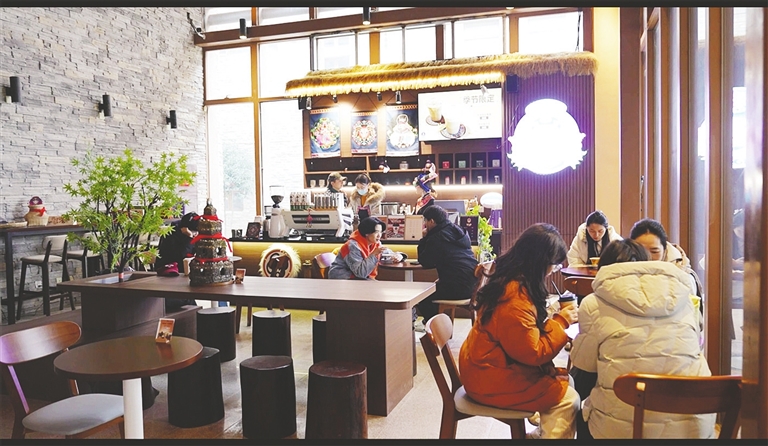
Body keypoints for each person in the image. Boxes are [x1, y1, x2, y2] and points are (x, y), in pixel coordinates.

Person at [570, 239, 713, 439]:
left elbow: (584, 365)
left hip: (621, 431)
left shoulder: (593, 304)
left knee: (580, 397)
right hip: (692, 429)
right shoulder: (685, 300)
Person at [459, 223, 580, 439]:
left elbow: (522, 338)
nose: (552, 271)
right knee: (568, 399)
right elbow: (533, 353)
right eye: (553, 265)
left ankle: (540, 435)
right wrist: (561, 321)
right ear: (540, 263)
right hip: (490, 379)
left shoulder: (507, 278)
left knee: (565, 382)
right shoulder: (514, 297)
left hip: (485, 367)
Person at [416, 205, 478, 324]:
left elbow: (425, 261)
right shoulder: (459, 230)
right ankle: (438, 324)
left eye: (425, 221)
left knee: (422, 296)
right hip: (474, 285)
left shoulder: (437, 237)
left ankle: (438, 328)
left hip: (457, 288)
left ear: (432, 221)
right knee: (432, 290)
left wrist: (424, 238)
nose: (425, 224)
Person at [629, 218, 702, 299]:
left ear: (665, 249)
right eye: (641, 250)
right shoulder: (624, 271)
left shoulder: (684, 275)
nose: (648, 256)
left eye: (654, 251)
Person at [328, 217, 400, 280]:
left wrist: (398, 256)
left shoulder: (375, 243)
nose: (379, 235)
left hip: (359, 278)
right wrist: (374, 254)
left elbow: (388, 254)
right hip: (342, 279)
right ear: (367, 233)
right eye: (376, 232)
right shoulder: (353, 246)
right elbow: (360, 273)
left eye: (381, 232)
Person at [154, 212, 199, 310]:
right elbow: (180, 257)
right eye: (194, 231)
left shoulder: (189, 236)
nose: (195, 234)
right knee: (189, 300)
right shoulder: (171, 235)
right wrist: (188, 237)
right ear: (184, 229)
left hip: (182, 276)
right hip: (169, 278)